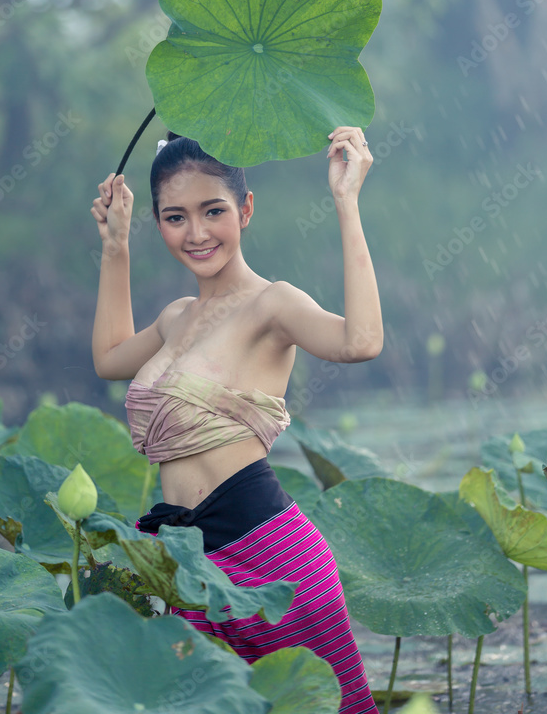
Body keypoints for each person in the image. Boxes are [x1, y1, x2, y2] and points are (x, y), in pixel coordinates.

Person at [90, 125, 383, 714]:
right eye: (175, 217)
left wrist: (347, 202)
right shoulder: (176, 317)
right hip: (185, 558)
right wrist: (116, 248)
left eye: (213, 211)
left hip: (271, 557)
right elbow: (109, 357)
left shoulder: (273, 303)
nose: (196, 233)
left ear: (245, 210)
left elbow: (361, 341)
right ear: (158, 222)